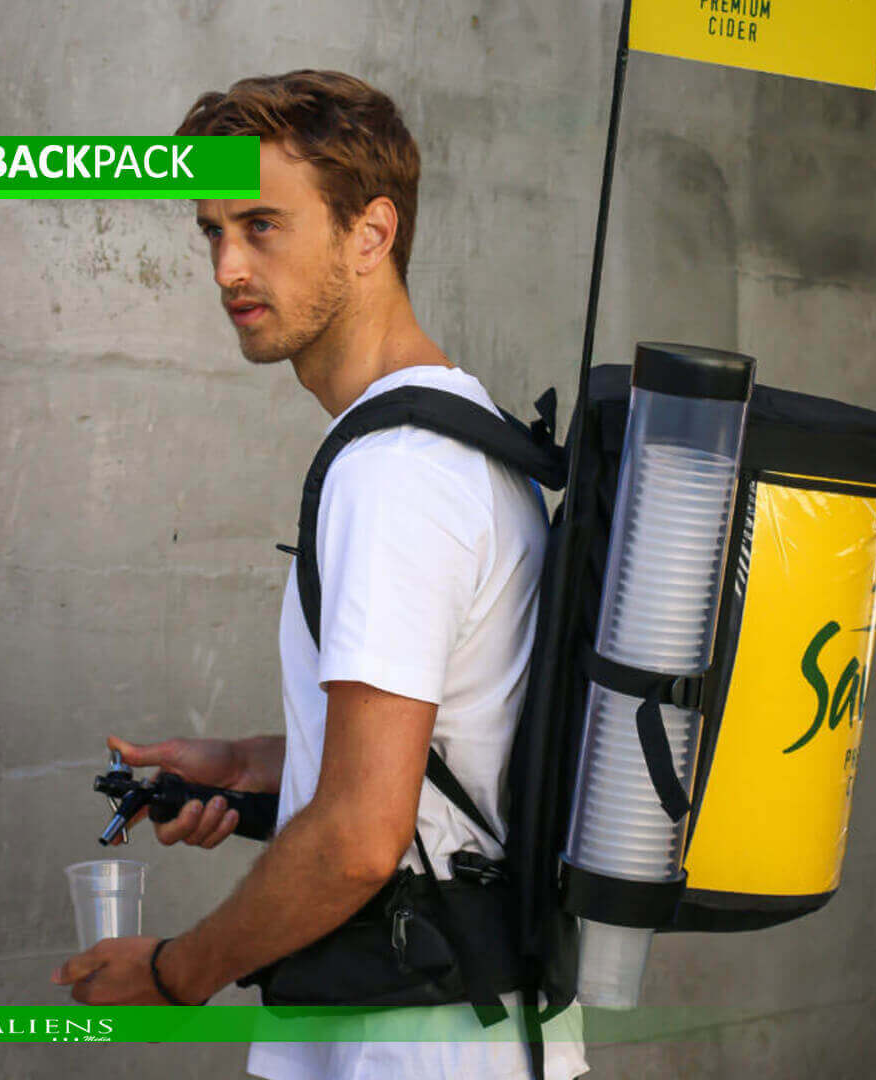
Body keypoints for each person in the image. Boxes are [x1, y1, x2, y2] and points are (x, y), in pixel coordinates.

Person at [50, 69, 588, 1080]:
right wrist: (258, 765)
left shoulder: (394, 476)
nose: (226, 267)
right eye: (211, 232)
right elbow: (452, 738)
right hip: (463, 1027)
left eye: (262, 226)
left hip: (411, 1048)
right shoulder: (469, 439)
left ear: (370, 235)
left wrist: (175, 974)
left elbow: (356, 835)